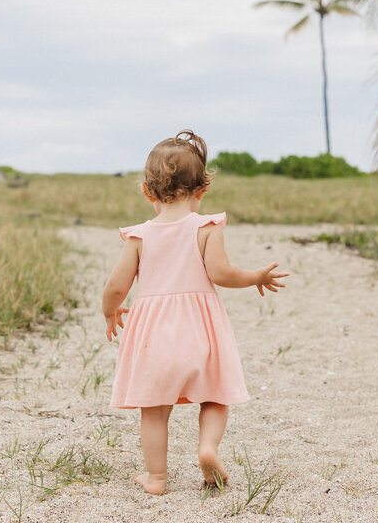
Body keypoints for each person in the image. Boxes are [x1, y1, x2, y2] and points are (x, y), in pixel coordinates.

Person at [101, 130, 288, 495]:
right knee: (215, 395)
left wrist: (110, 312)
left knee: (153, 409)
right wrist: (255, 277)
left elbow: (116, 287)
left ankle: (157, 478)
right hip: (200, 330)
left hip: (153, 335)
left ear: (147, 192)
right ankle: (207, 448)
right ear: (202, 190)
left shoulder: (138, 236)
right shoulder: (206, 227)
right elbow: (221, 273)